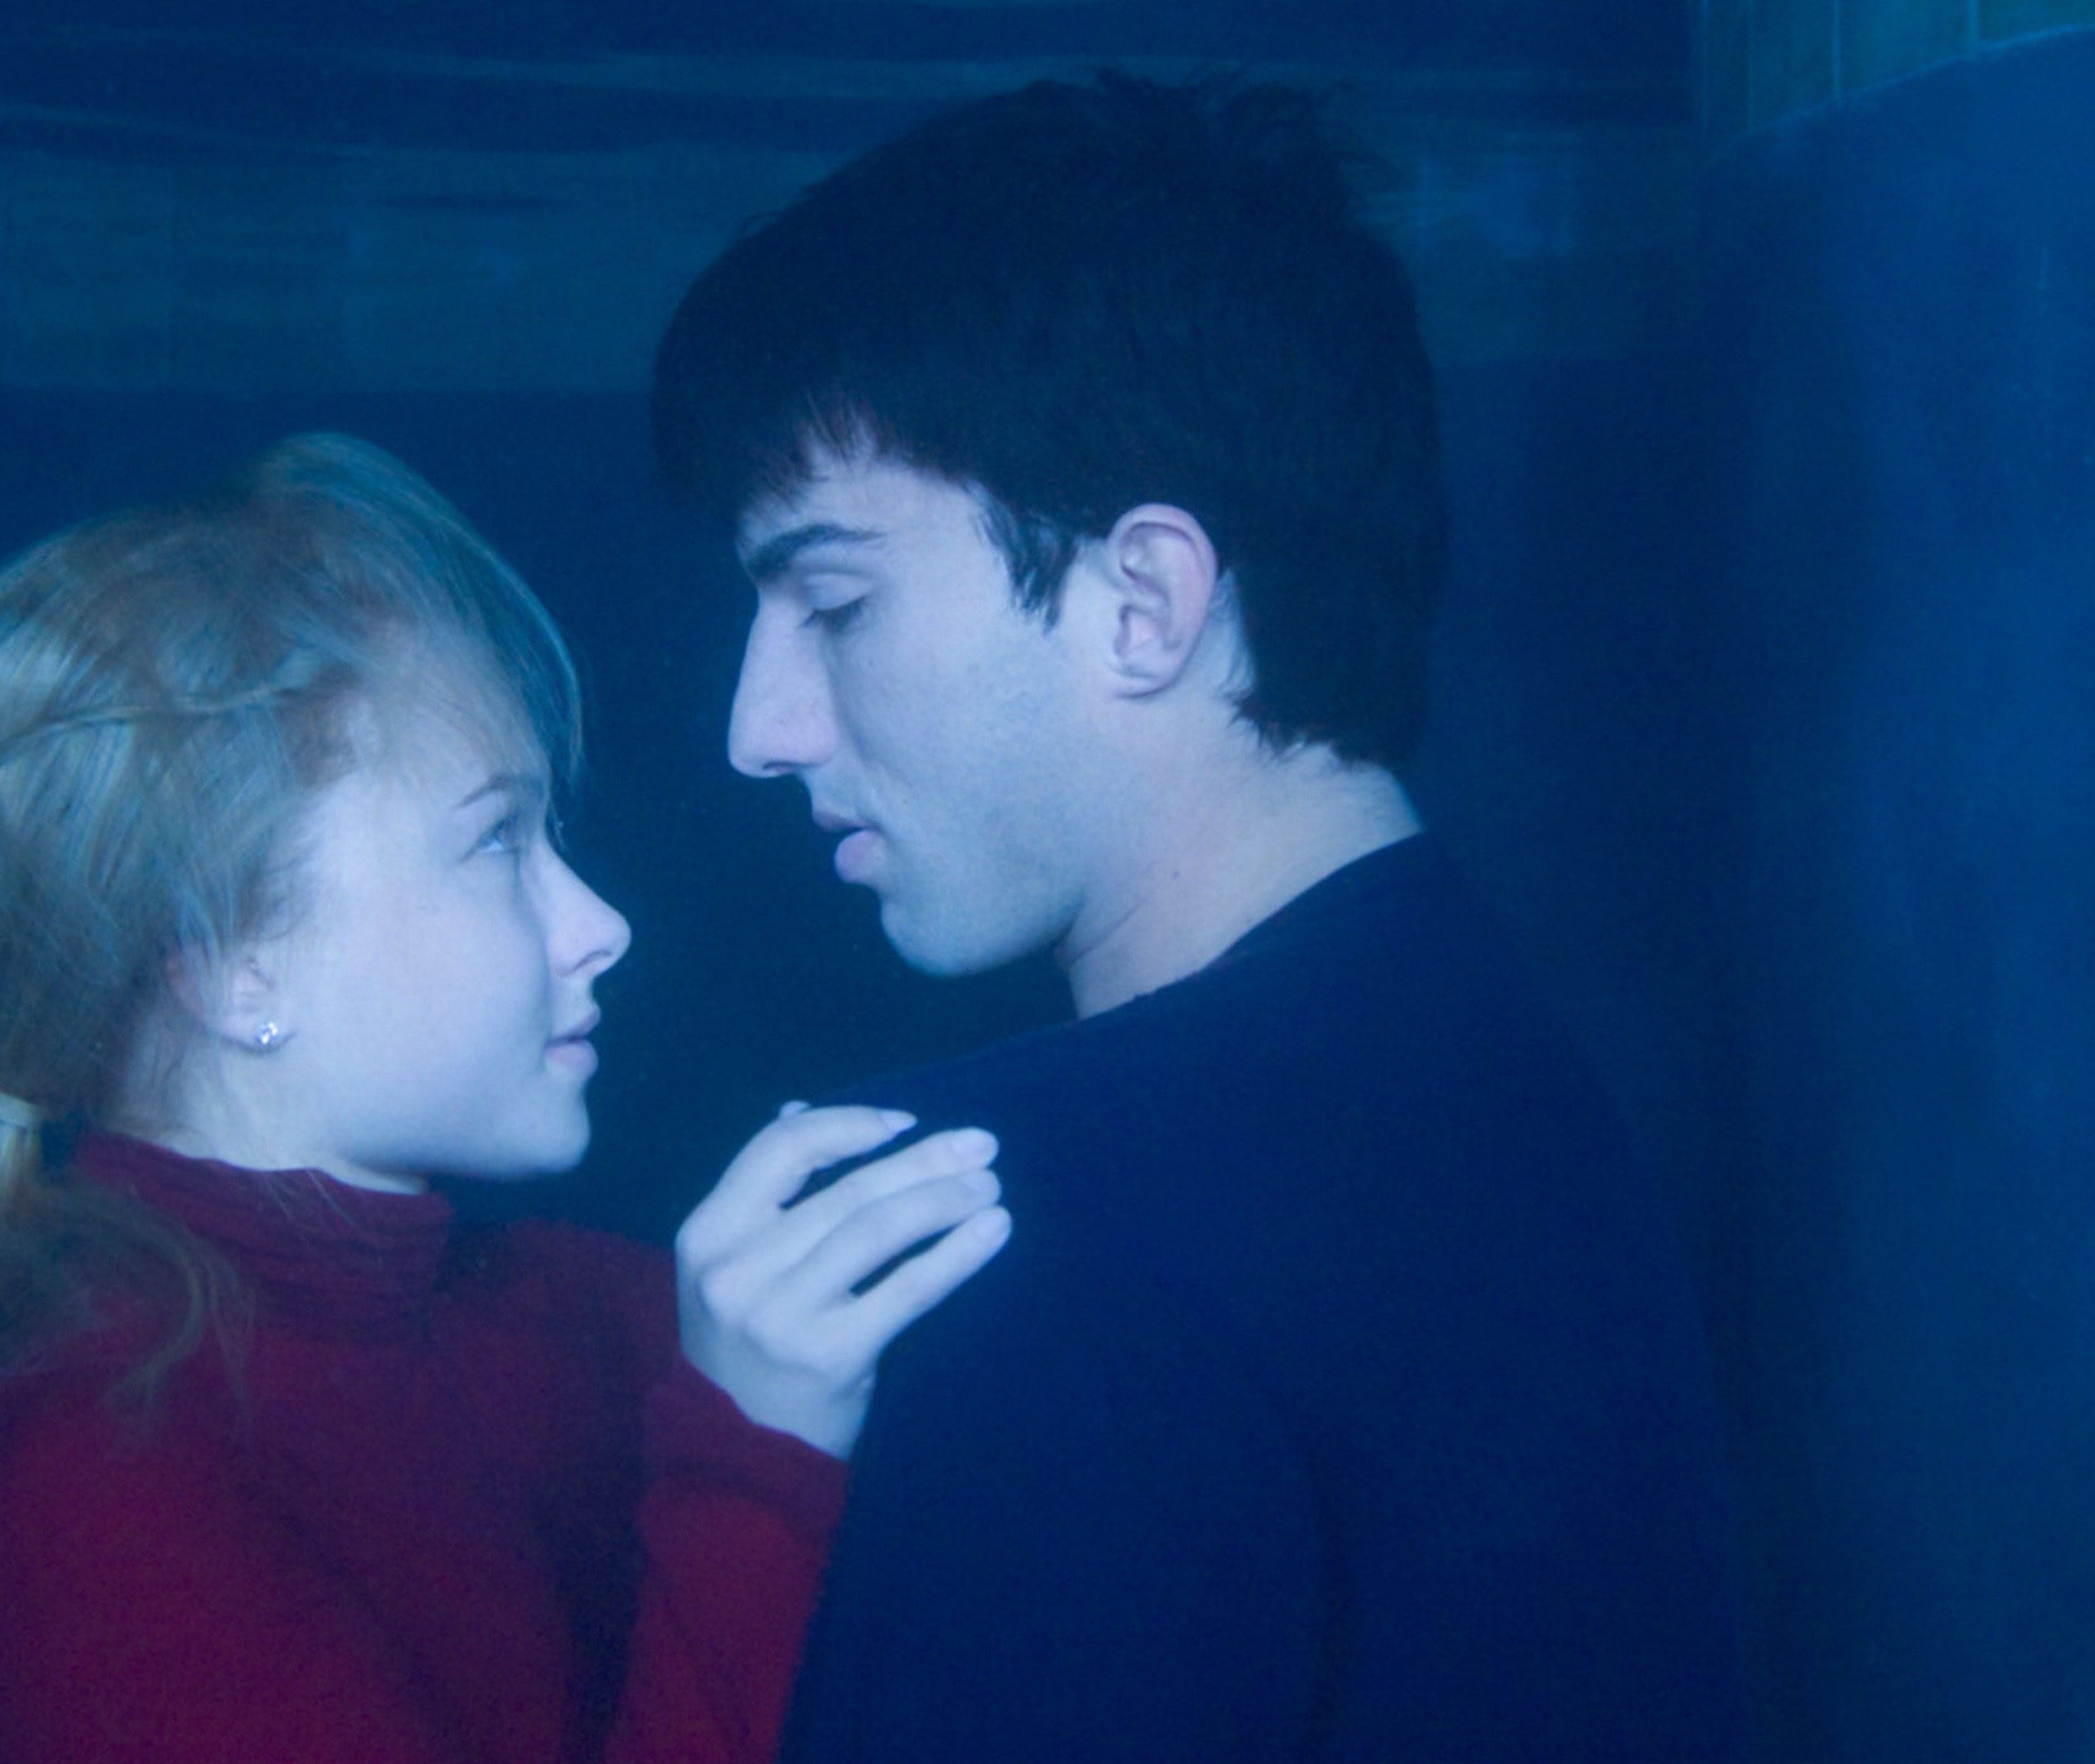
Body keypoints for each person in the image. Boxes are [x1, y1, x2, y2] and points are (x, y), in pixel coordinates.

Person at [649, 74, 1749, 1759]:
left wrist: (734, 1467)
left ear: (1145, 600)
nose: (759, 727)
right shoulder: (1517, 1075)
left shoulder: (1005, 1217)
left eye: (835, 602)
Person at [0, 434, 1011, 1764]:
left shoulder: (576, 1312)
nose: (602, 926)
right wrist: (753, 1465)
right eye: (495, 841)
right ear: (236, 965)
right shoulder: (64, 1505)